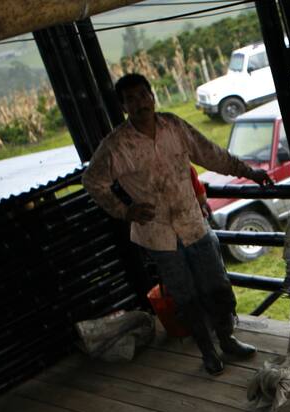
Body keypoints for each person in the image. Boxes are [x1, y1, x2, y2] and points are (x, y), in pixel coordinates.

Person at [83, 73, 275, 376]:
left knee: (218, 288)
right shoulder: (117, 145)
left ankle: (227, 339)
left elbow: (210, 153)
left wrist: (248, 172)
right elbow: (93, 181)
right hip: (159, 236)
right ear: (123, 107)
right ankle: (208, 352)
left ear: (152, 96)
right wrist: (124, 210)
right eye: (130, 99)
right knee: (186, 298)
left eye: (142, 95)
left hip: (193, 224)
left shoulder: (173, 126)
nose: (139, 103)